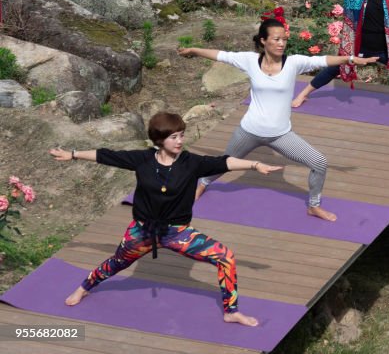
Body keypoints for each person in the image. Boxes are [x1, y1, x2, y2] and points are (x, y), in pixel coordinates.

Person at [50, 112, 284, 326]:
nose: (180, 141)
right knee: (116, 263)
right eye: (174, 137)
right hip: (142, 232)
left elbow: (225, 162)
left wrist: (255, 165)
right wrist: (72, 154)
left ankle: (231, 311)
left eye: (182, 135)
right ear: (160, 139)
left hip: (178, 233)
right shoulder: (143, 159)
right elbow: (107, 156)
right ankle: (84, 288)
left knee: (226, 258)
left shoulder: (191, 163)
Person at [179, 16, 377, 221]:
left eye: (284, 39)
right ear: (263, 41)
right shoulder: (249, 60)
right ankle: (203, 183)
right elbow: (221, 55)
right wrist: (194, 50)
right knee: (224, 162)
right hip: (248, 131)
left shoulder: (293, 63)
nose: (282, 43)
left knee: (319, 162)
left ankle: (314, 206)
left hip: (280, 135)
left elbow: (323, 60)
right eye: (276, 39)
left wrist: (351, 59)